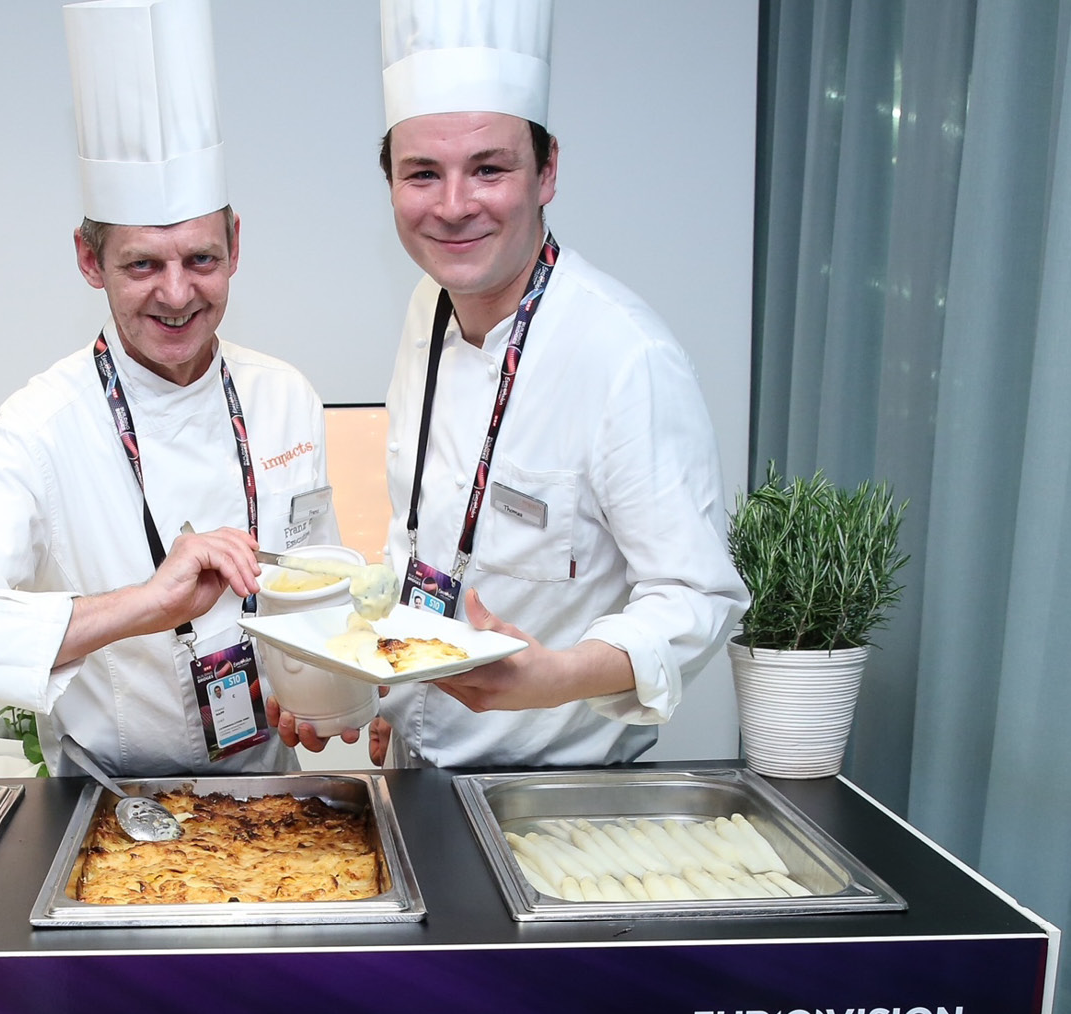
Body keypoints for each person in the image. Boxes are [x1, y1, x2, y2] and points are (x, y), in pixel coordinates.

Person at [282, 0, 746, 768]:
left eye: (489, 169)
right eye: (422, 173)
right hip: (421, 784)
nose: (455, 206)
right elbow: (424, 539)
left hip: (558, 804)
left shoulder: (626, 356)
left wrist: (558, 676)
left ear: (548, 171)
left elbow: (697, 598)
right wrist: (371, 686)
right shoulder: (427, 307)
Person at [0, 0, 339, 778]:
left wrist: (329, 689)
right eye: (141, 265)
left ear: (235, 245)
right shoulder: (40, 426)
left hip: (273, 797)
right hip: (112, 813)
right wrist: (147, 604)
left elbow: (316, 584)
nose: (175, 294)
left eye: (200, 259)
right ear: (89, 260)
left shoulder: (285, 398)